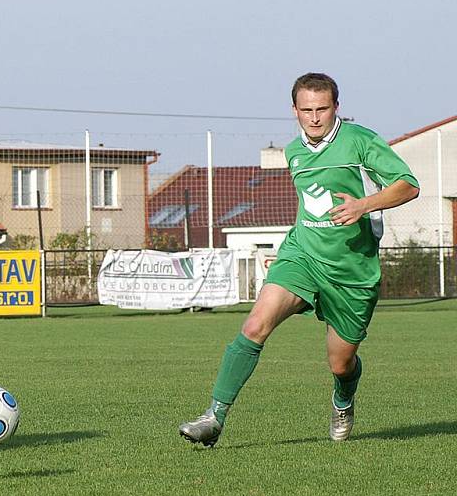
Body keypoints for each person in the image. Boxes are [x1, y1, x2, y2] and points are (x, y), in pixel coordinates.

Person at [179, 73, 419, 446]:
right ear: (294, 110)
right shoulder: (294, 152)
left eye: (322, 109)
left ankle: (343, 398)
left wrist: (363, 206)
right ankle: (214, 416)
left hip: (352, 270)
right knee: (256, 323)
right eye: (306, 110)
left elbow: (409, 184)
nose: (315, 117)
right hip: (302, 256)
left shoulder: (360, 141)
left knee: (341, 363)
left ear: (336, 107)